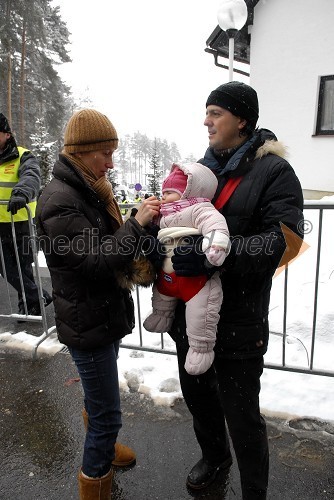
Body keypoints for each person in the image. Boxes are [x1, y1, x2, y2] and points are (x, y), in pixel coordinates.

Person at [168, 82, 304, 499]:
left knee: (243, 418)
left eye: (216, 113)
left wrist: (216, 255)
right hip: (190, 314)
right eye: (206, 113)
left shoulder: (274, 172)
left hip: (240, 321)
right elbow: (178, 220)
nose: (206, 121)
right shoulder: (198, 172)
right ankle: (215, 458)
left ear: (242, 120)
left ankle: (254, 491)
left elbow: (283, 240)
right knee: (199, 400)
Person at [35, 108, 160, 500]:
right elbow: (95, 259)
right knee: (107, 413)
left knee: (98, 398)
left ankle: (103, 448)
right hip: (86, 320)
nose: (111, 161)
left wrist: (143, 227)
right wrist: (135, 224)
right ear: (81, 152)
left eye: (113, 151)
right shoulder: (60, 199)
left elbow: (111, 248)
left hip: (99, 313)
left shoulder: (90, 189)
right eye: (103, 152)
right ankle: (95, 482)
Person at [143, 163, 230, 375]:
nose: (164, 198)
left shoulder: (200, 208)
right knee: (162, 291)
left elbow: (216, 226)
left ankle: (201, 349)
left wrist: (216, 244)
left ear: (189, 192)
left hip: (195, 280)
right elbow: (149, 231)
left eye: (170, 193)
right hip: (168, 275)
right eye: (163, 193)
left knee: (201, 312)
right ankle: (162, 314)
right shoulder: (163, 214)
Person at [0, 112, 52, 317]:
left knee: (23, 265)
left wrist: (21, 193)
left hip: (21, 222)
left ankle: (30, 305)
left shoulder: (23, 156)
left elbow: (31, 176)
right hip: (0, 225)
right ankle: (39, 296)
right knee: (6, 267)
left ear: (7, 135)